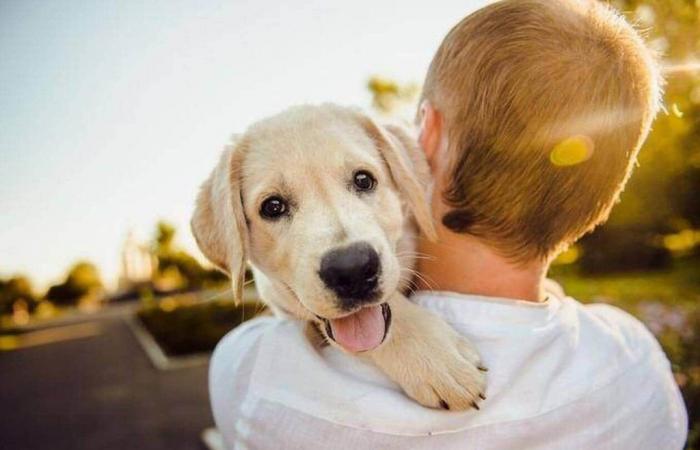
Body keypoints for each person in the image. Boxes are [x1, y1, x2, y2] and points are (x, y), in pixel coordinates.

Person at [209, 0, 688, 448]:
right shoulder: (638, 367)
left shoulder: (256, 375)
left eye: (362, 180)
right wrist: (398, 331)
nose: (345, 245)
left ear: (427, 137)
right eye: (275, 208)